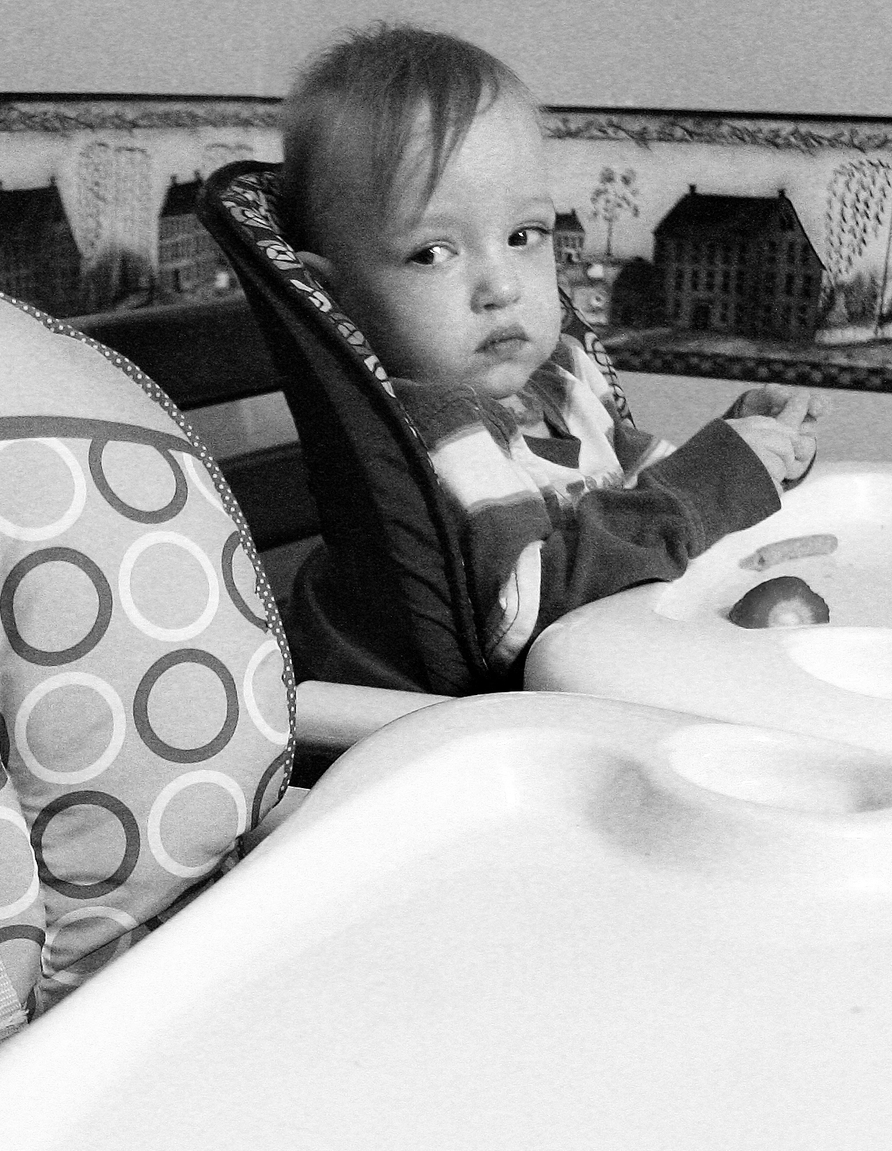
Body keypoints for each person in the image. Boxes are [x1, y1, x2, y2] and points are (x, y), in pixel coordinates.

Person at [280, 22, 824, 672]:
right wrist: (707, 484)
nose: (502, 286)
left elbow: (647, 487)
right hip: (487, 733)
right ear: (335, 300)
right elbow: (526, 612)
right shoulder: (434, 432)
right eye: (432, 252)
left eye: (523, 235)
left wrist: (743, 446)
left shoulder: (559, 378)